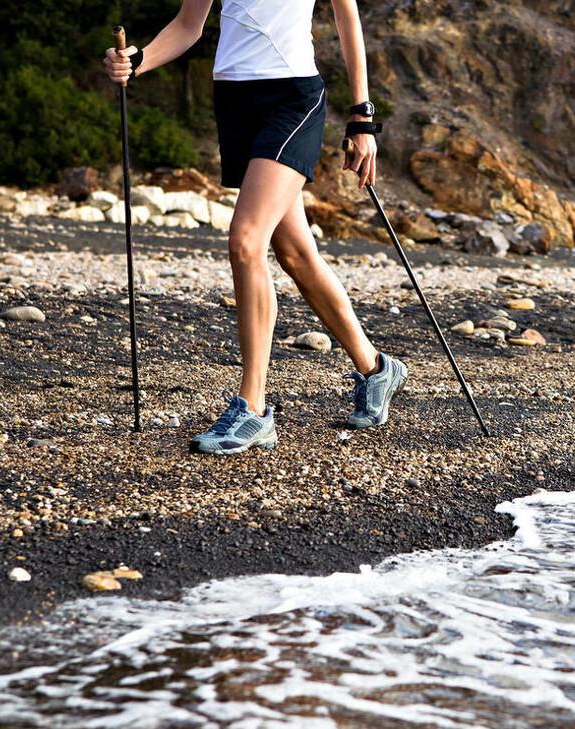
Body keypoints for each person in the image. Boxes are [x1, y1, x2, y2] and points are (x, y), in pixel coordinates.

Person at [104, 0, 407, 454]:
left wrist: (362, 118)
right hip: (234, 102)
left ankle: (253, 407)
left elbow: (348, 18)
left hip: (292, 100)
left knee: (246, 241)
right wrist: (138, 61)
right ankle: (377, 369)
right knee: (295, 254)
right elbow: (188, 26)